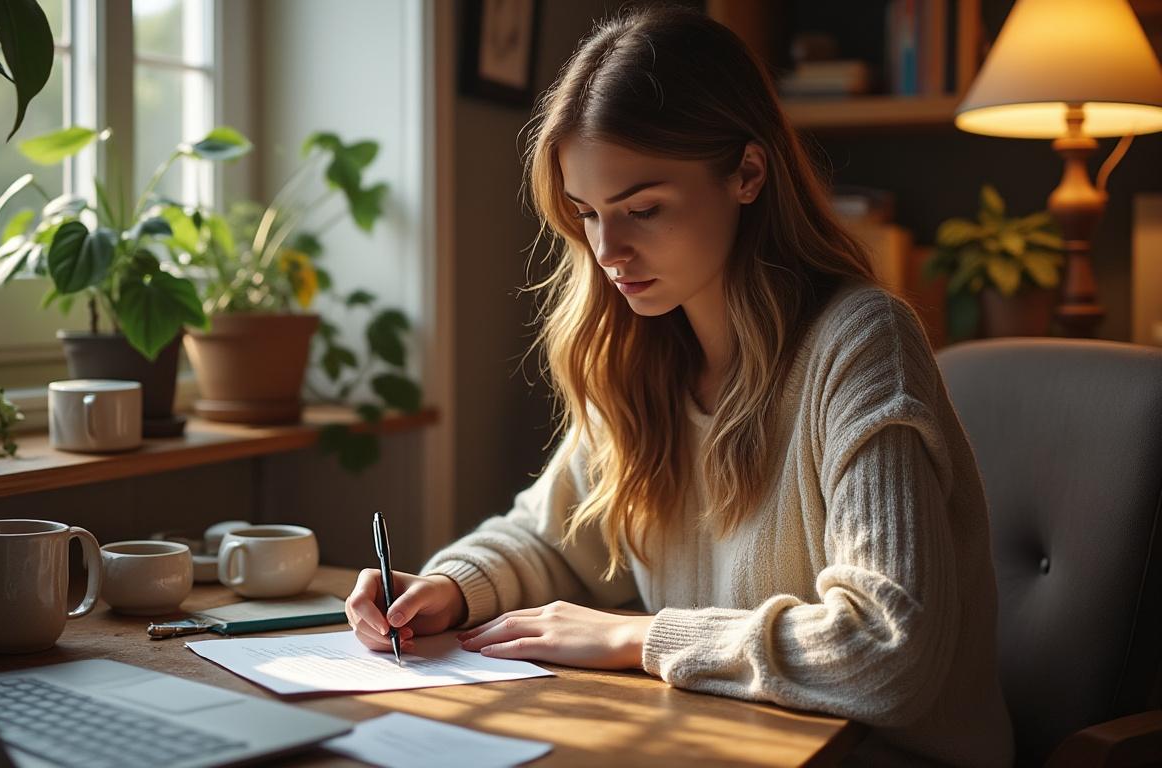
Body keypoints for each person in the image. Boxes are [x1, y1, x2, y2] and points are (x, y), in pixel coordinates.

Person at [345, 5, 1012, 765]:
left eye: (644, 209)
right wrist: (447, 587)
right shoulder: (642, 353)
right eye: (587, 213)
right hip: (722, 741)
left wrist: (637, 637)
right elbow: (549, 536)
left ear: (748, 174)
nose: (608, 250)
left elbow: (886, 650)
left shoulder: (862, 343)